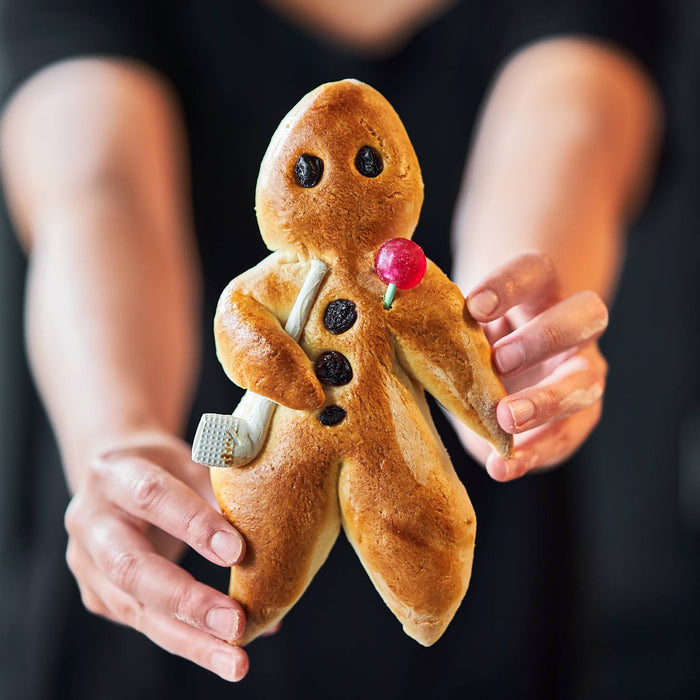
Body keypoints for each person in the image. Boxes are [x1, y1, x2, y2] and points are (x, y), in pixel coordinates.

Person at [0, 1, 667, 698]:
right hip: (175, 543)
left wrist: (513, 349)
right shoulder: (270, 284)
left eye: (369, 162)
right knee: (257, 556)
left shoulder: (410, 283)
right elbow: (101, 189)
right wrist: (120, 427)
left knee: (424, 545)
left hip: (488, 612)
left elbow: (572, 130)